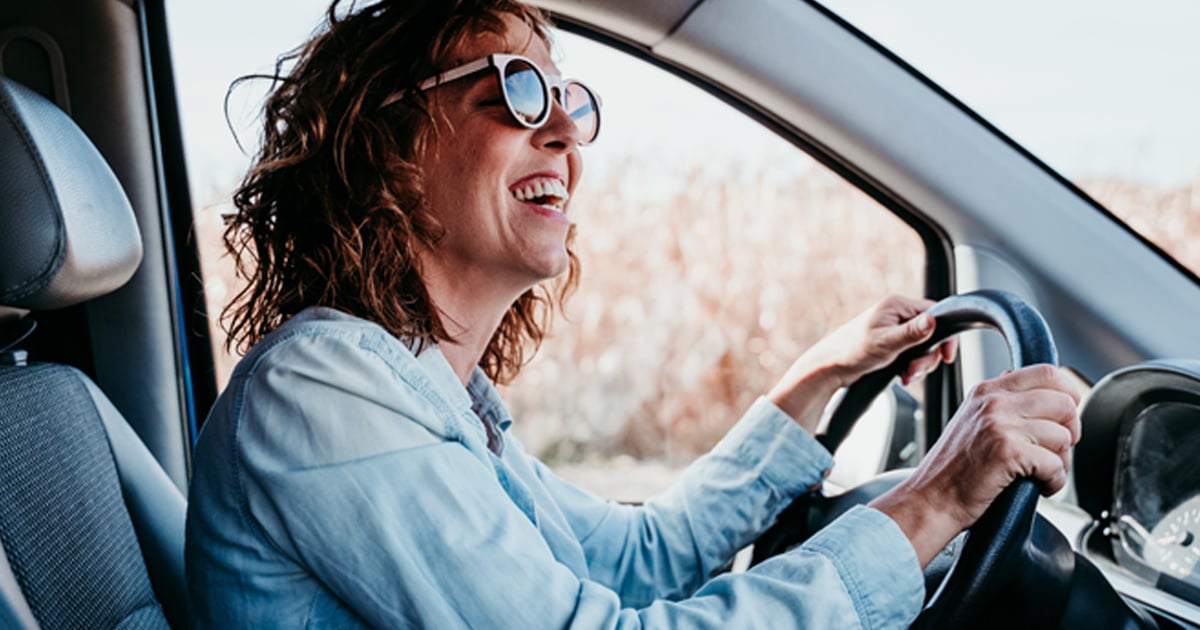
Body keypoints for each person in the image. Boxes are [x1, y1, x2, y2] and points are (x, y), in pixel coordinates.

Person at [184, 0, 1082, 627]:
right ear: (384, 146)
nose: (568, 133)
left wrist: (822, 374)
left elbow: (640, 556)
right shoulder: (321, 391)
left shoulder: (440, 398)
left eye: (567, 98)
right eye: (513, 87)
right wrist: (933, 499)